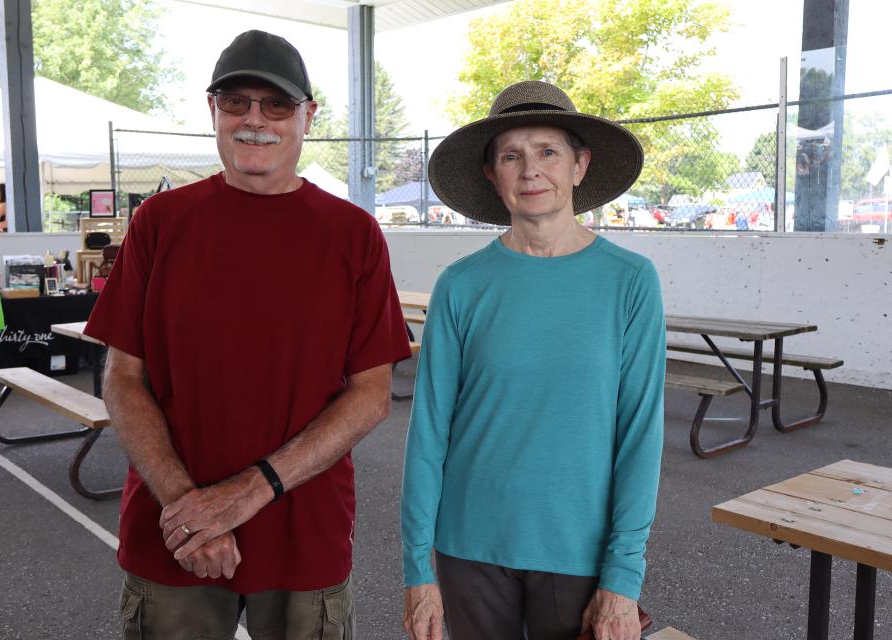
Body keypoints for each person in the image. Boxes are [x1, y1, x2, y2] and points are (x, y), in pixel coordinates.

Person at [83, 29, 411, 640]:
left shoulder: (353, 233)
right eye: (236, 103)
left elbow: (370, 395)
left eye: (276, 105)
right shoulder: (160, 223)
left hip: (303, 534)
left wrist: (249, 491)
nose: (254, 120)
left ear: (307, 117)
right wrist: (191, 511)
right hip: (173, 535)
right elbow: (123, 379)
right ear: (213, 110)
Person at [401, 81, 665, 640]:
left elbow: (639, 435)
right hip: (468, 546)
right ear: (493, 176)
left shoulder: (630, 282)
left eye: (548, 151)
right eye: (511, 156)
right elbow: (428, 433)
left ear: (580, 165)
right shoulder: (461, 285)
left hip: (579, 550)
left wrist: (624, 575)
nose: (530, 170)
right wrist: (417, 568)